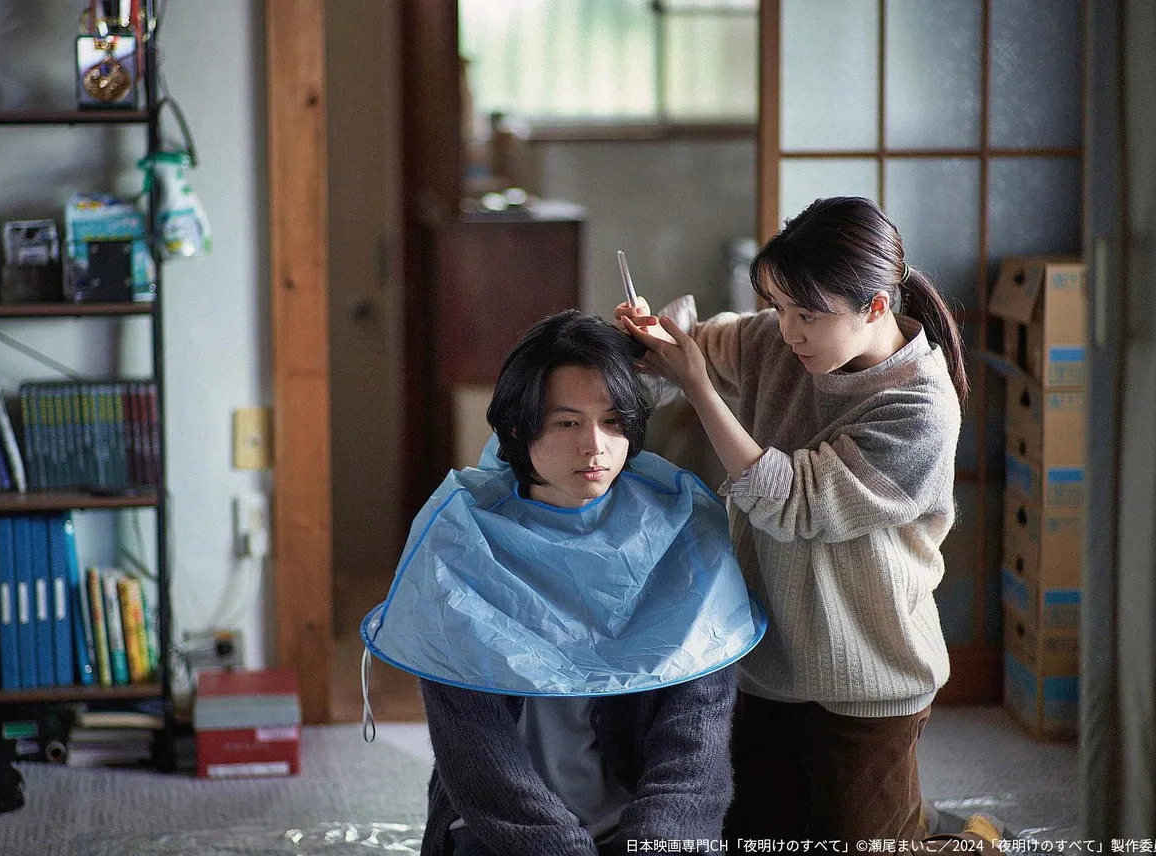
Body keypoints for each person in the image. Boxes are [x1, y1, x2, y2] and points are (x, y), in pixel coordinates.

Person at [616, 196, 1002, 848]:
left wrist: (701, 389)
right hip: (763, 656)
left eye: (808, 315)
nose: (789, 331)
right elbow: (696, 350)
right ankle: (913, 817)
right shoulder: (780, 341)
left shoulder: (920, 407)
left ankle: (968, 837)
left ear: (876, 305)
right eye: (778, 307)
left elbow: (792, 504)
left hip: (868, 676)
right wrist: (653, 339)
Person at [360, 310, 764, 856]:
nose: (595, 446)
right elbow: (480, 762)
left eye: (615, 421)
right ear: (519, 428)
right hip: (504, 831)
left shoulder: (685, 532)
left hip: (640, 829)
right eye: (568, 422)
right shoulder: (459, 543)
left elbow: (693, 753)